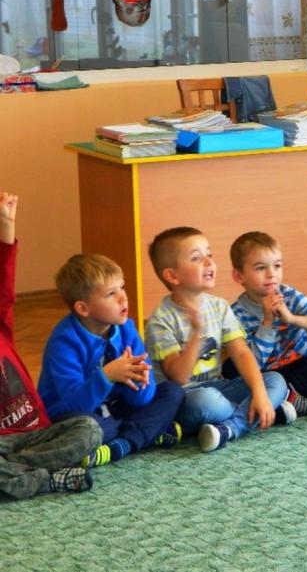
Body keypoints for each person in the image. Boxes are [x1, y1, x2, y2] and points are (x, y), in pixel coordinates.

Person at [145, 227, 287, 453]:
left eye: (209, 254)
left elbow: (241, 353)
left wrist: (260, 393)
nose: (209, 262)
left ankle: (231, 427)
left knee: (275, 381)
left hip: (218, 387)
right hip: (185, 398)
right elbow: (178, 377)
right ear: (172, 276)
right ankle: (263, 413)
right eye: (196, 258)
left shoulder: (219, 306)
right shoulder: (160, 320)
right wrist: (196, 334)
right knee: (206, 401)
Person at [37, 254, 185, 468]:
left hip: (116, 407)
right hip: (76, 413)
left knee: (173, 392)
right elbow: (73, 403)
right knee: (90, 429)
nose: (123, 298)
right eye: (110, 294)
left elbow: (142, 401)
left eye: (122, 287)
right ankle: (145, 434)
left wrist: (140, 382)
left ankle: (123, 444)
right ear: (83, 309)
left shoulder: (126, 329)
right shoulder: (64, 342)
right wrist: (107, 375)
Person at [0, 191, 102, 499]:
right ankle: (48, 480)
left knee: (90, 429)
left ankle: (15, 472)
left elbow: (5, 276)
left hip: (37, 434)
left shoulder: (2, 327)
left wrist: (6, 224)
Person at [229, 231, 307, 416]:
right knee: (231, 368)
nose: (271, 274)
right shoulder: (236, 314)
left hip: (303, 371)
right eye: (260, 268)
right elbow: (253, 364)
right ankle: (303, 402)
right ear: (239, 276)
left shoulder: (289, 295)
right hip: (269, 377)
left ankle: (289, 399)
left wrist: (292, 319)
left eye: (277, 266)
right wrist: (267, 323)